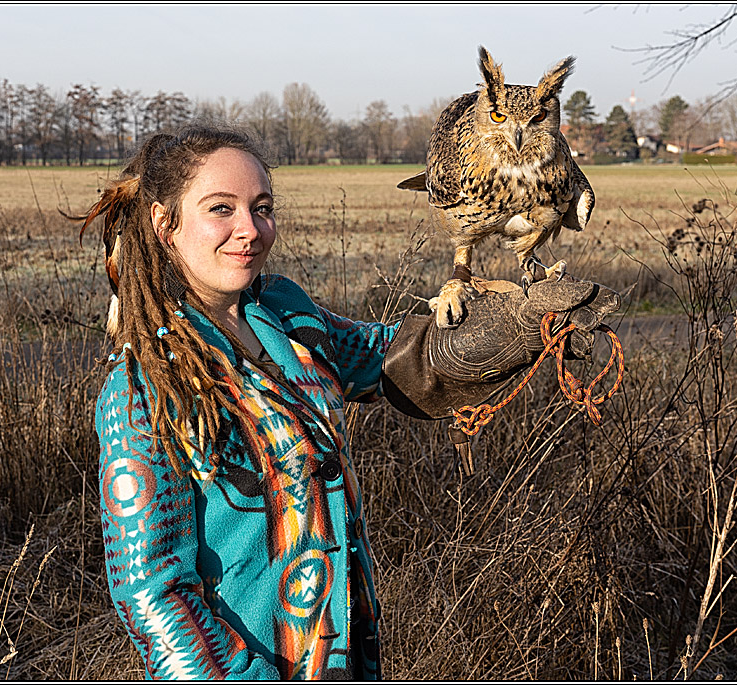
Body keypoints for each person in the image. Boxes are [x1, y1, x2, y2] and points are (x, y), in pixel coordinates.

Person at [83, 125, 618, 680]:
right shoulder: (145, 386)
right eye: (221, 208)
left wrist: (523, 329)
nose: (249, 230)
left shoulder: (286, 313)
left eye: (262, 207)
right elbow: (153, 596)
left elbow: (391, 361)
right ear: (164, 222)